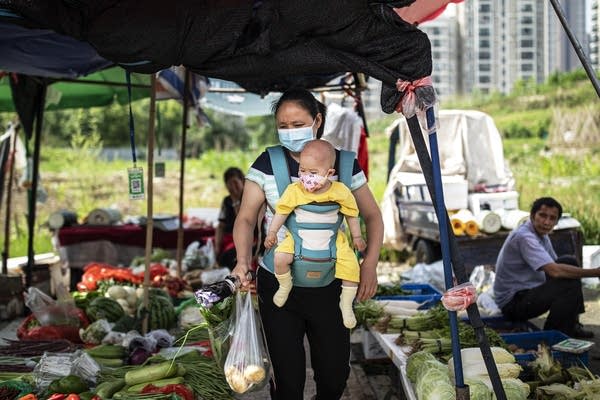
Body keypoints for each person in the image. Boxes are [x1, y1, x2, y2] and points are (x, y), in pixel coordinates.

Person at [231, 87, 383, 400]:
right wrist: (242, 261)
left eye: (297, 123)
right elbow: (246, 218)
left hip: (332, 284)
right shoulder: (266, 164)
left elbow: (372, 216)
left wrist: (369, 266)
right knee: (288, 381)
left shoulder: (343, 165)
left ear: (317, 120)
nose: (290, 132)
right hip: (278, 283)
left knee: (334, 376)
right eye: (283, 126)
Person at [263, 139, 367, 329]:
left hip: (333, 240)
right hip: (297, 239)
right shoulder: (294, 190)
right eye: (302, 170)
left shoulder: (341, 191)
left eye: (313, 173)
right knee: (280, 257)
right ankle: (284, 286)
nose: (305, 177)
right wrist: (272, 232)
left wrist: (357, 237)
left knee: (352, 266)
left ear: (329, 173)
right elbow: (282, 211)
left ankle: (345, 303)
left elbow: (352, 214)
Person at [493, 197, 600, 339]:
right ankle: (554, 338)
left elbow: (556, 264)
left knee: (569, 262)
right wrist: (595, 272)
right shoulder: (524, 236)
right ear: (532, 215)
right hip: (512, 303)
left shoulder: (541, 235)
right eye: (542, 216)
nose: (546, 222)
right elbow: (554, 271)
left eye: (552, 218)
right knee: (567, 284)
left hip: (527, 292)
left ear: (556, 222)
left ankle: (572, 324)